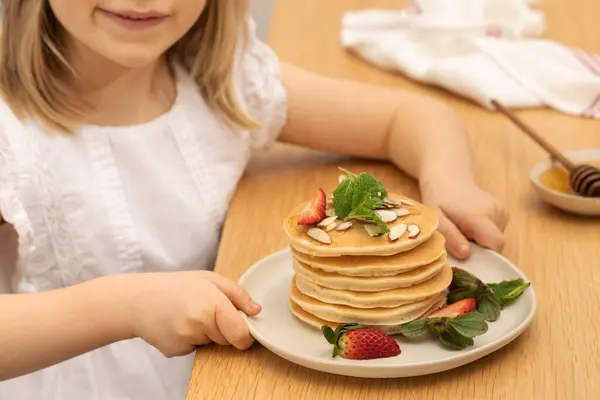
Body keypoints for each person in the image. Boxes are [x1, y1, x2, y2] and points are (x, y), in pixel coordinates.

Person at [0, 0, 509, 399]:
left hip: (226, 373)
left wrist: (448, 183)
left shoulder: (224, 79)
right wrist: (125, 306)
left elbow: (409, 118)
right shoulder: (11, 130)